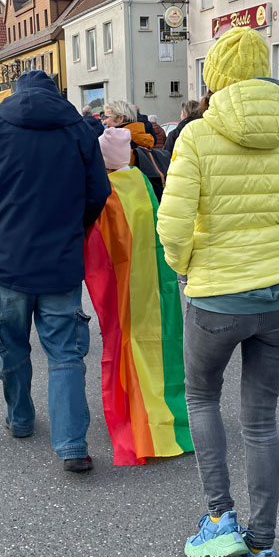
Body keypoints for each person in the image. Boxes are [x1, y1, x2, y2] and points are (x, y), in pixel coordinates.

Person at [157, 27, 279, 557]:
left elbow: (173, 225)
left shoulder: (198, 135)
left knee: (202, 397)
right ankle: (264, 551)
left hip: (216, 295)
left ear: (215, 77)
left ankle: (220, 518)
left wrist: (186, 269)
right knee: (262, 420)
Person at [0, 69, 111, 472]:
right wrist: (75, 230)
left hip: (5, 260)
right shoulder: (77, 129)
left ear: (16, 93)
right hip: (60, 260)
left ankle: (21, 418)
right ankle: (72, 444)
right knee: (65, 352)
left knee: (11, 345)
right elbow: (98, 191)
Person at [83, 128, 192, 466]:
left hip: (123, 286)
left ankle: (136, 417)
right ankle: (170, 418)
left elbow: (98, 243)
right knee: (161, 348)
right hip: (156, 286)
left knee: (126, 345)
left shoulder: (106, 191)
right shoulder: (142, 183)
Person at [102, 100, 156, 164]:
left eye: (106, 117)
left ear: (120, 118)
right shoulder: (142, 138)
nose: (104, 122)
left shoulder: (117, 142)